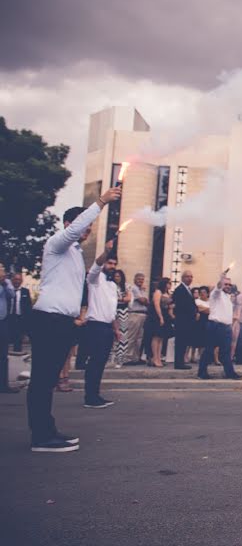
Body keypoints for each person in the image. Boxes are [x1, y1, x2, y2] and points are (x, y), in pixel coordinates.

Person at [27, 185, 121, 453]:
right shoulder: (56, 243)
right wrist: (101, 201)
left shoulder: (76, 254)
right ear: (69, 224)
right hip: (48, 319)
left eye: (89, 227)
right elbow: (74, 230)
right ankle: (41, 437)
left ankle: (47, 430)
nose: (87, 230)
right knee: (43, 379)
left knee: (49, 379)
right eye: (84, 225)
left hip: (63, 322)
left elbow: (88, 277)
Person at [83, 240, 120, 409]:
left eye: (114, 264)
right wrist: (106, 251)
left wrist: (116, 330)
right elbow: (96, 266)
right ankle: (90, 397)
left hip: (107, 327)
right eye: (109, 263)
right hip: (95, 325)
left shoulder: (113, 285)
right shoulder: (95, 279)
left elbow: (111, 311)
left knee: (101, 362)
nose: (112, 266)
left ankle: (95, 394)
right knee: (95, 362)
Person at [197, 270, 242, 380]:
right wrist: (221, 279)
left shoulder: (228, 297)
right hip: (215, 326)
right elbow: (217, 288)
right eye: (226, 284)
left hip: (226, 328)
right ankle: (201, 373)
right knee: (209, 351)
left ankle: (230, 373)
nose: (227, 286)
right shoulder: (216, 294)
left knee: (225, 352)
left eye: (229, 284)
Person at [171, 271, 196, 370]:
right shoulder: (180, 290)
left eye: (191, 276)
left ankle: (181, 361)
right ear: (182, 278)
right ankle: (178, 363)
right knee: (180, 342)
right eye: (187, 277)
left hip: (187, 321)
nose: (189, 278)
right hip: (182, 320)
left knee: (184, 341)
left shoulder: (188, 290)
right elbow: (181, 305)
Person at [0, 265, 19, 393]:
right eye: (1, 268)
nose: (3, 271)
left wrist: (5, 283)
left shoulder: (5, 282)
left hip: (3, 321)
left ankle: (3, 385)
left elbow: (12, 294)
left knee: (3, 354)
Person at [148, 278, 173, 367]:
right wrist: (160, 317)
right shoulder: (158, 292)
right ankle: (155, 358)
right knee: (156, 337)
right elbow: (156, 305)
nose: (170, 285)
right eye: (168, 283)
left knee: (161, 338)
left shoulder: (168, 294)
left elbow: (170, 306)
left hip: (166, 315)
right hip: (157, 315)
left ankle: (159, 357)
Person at [125, 273, 149, 365]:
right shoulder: (133, 288)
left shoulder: (142, 290)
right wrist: (144, 300)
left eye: (142, 279)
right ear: (135, 279)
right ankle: (127, 357)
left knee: (139, 338)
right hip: (134, 314)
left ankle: (136, 357)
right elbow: (143, 300)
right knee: (131, 336)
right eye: (139, 279)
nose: (141, 281)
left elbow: (147, 301)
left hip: (143, 314)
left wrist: (145, 300)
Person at [111, 269, 131, 369]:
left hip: (123, 312)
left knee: (122, 336)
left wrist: (117, 299)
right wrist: (121, 299)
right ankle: (110, 359)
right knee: (112, 335)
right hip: (111, 312)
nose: (116, 278)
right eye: (115, 276)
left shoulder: (126, 286)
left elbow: (128, 299)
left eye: (118, 276)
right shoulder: (109, 286)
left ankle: (120, 359)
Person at [9, 272, 31, 356]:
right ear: (12, 280)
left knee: (18, 334)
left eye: (19, 279)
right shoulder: (8, 290)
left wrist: (28, 319)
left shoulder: (25, 291)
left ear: (21, 281)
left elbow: (28, 306)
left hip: (20, 316)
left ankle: (17, 350)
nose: (17, 281)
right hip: (9, 315)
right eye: (15, 279)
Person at [192, 286, 210, 363]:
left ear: (207, 293)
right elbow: (199, 309)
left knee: (207, 340)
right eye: (201, 293)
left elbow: (211, 310)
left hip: (209, 321)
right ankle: (195, 357)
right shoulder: (197, 301)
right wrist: (206, 309)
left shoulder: (211, 301)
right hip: (200, 322)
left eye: (204, 292)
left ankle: (204, 357)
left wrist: (204, 309)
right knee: (198, 340)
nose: (202, 294)